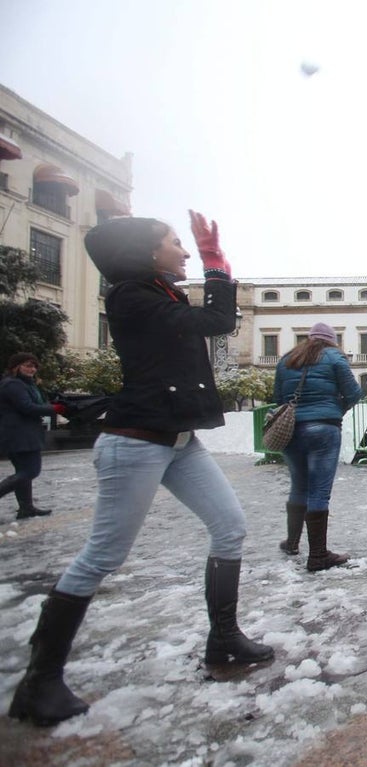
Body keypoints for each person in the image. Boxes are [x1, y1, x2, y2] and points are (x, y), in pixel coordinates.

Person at [7, 213, 274, 727]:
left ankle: (223, 639)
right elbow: (216, 321)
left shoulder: (158, 294)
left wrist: (213, 264)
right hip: (134, 445)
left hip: (178, 442)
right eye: (178, 245)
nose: (186, 254)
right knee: (103, 555)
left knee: (230, 527)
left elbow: (210, 323)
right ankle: (38, 681)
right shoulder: (131, 297)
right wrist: (217, 264)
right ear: (148, 253)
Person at [274, 323, 363, 569]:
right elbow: (354, 393)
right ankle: (318, 555)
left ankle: (292, 542)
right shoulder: (335, 357)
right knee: (319, 491)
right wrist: (335, 410)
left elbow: (278, 398)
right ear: (331, 340)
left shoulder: (287, 359)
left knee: (299, 486)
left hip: (292, 431)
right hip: (324, 429)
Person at [0, 353, 68, 519]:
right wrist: (55, 409)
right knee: (30, 471)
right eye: (27, 365)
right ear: (16, 366)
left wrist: (52, 405)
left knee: (23, 471)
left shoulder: (27, 385)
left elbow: (35, 405)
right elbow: (27, 407)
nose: (32, 369)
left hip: (25, 432)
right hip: (19, 434)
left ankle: (26, 508)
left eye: (34, 366)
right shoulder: (13, 385)